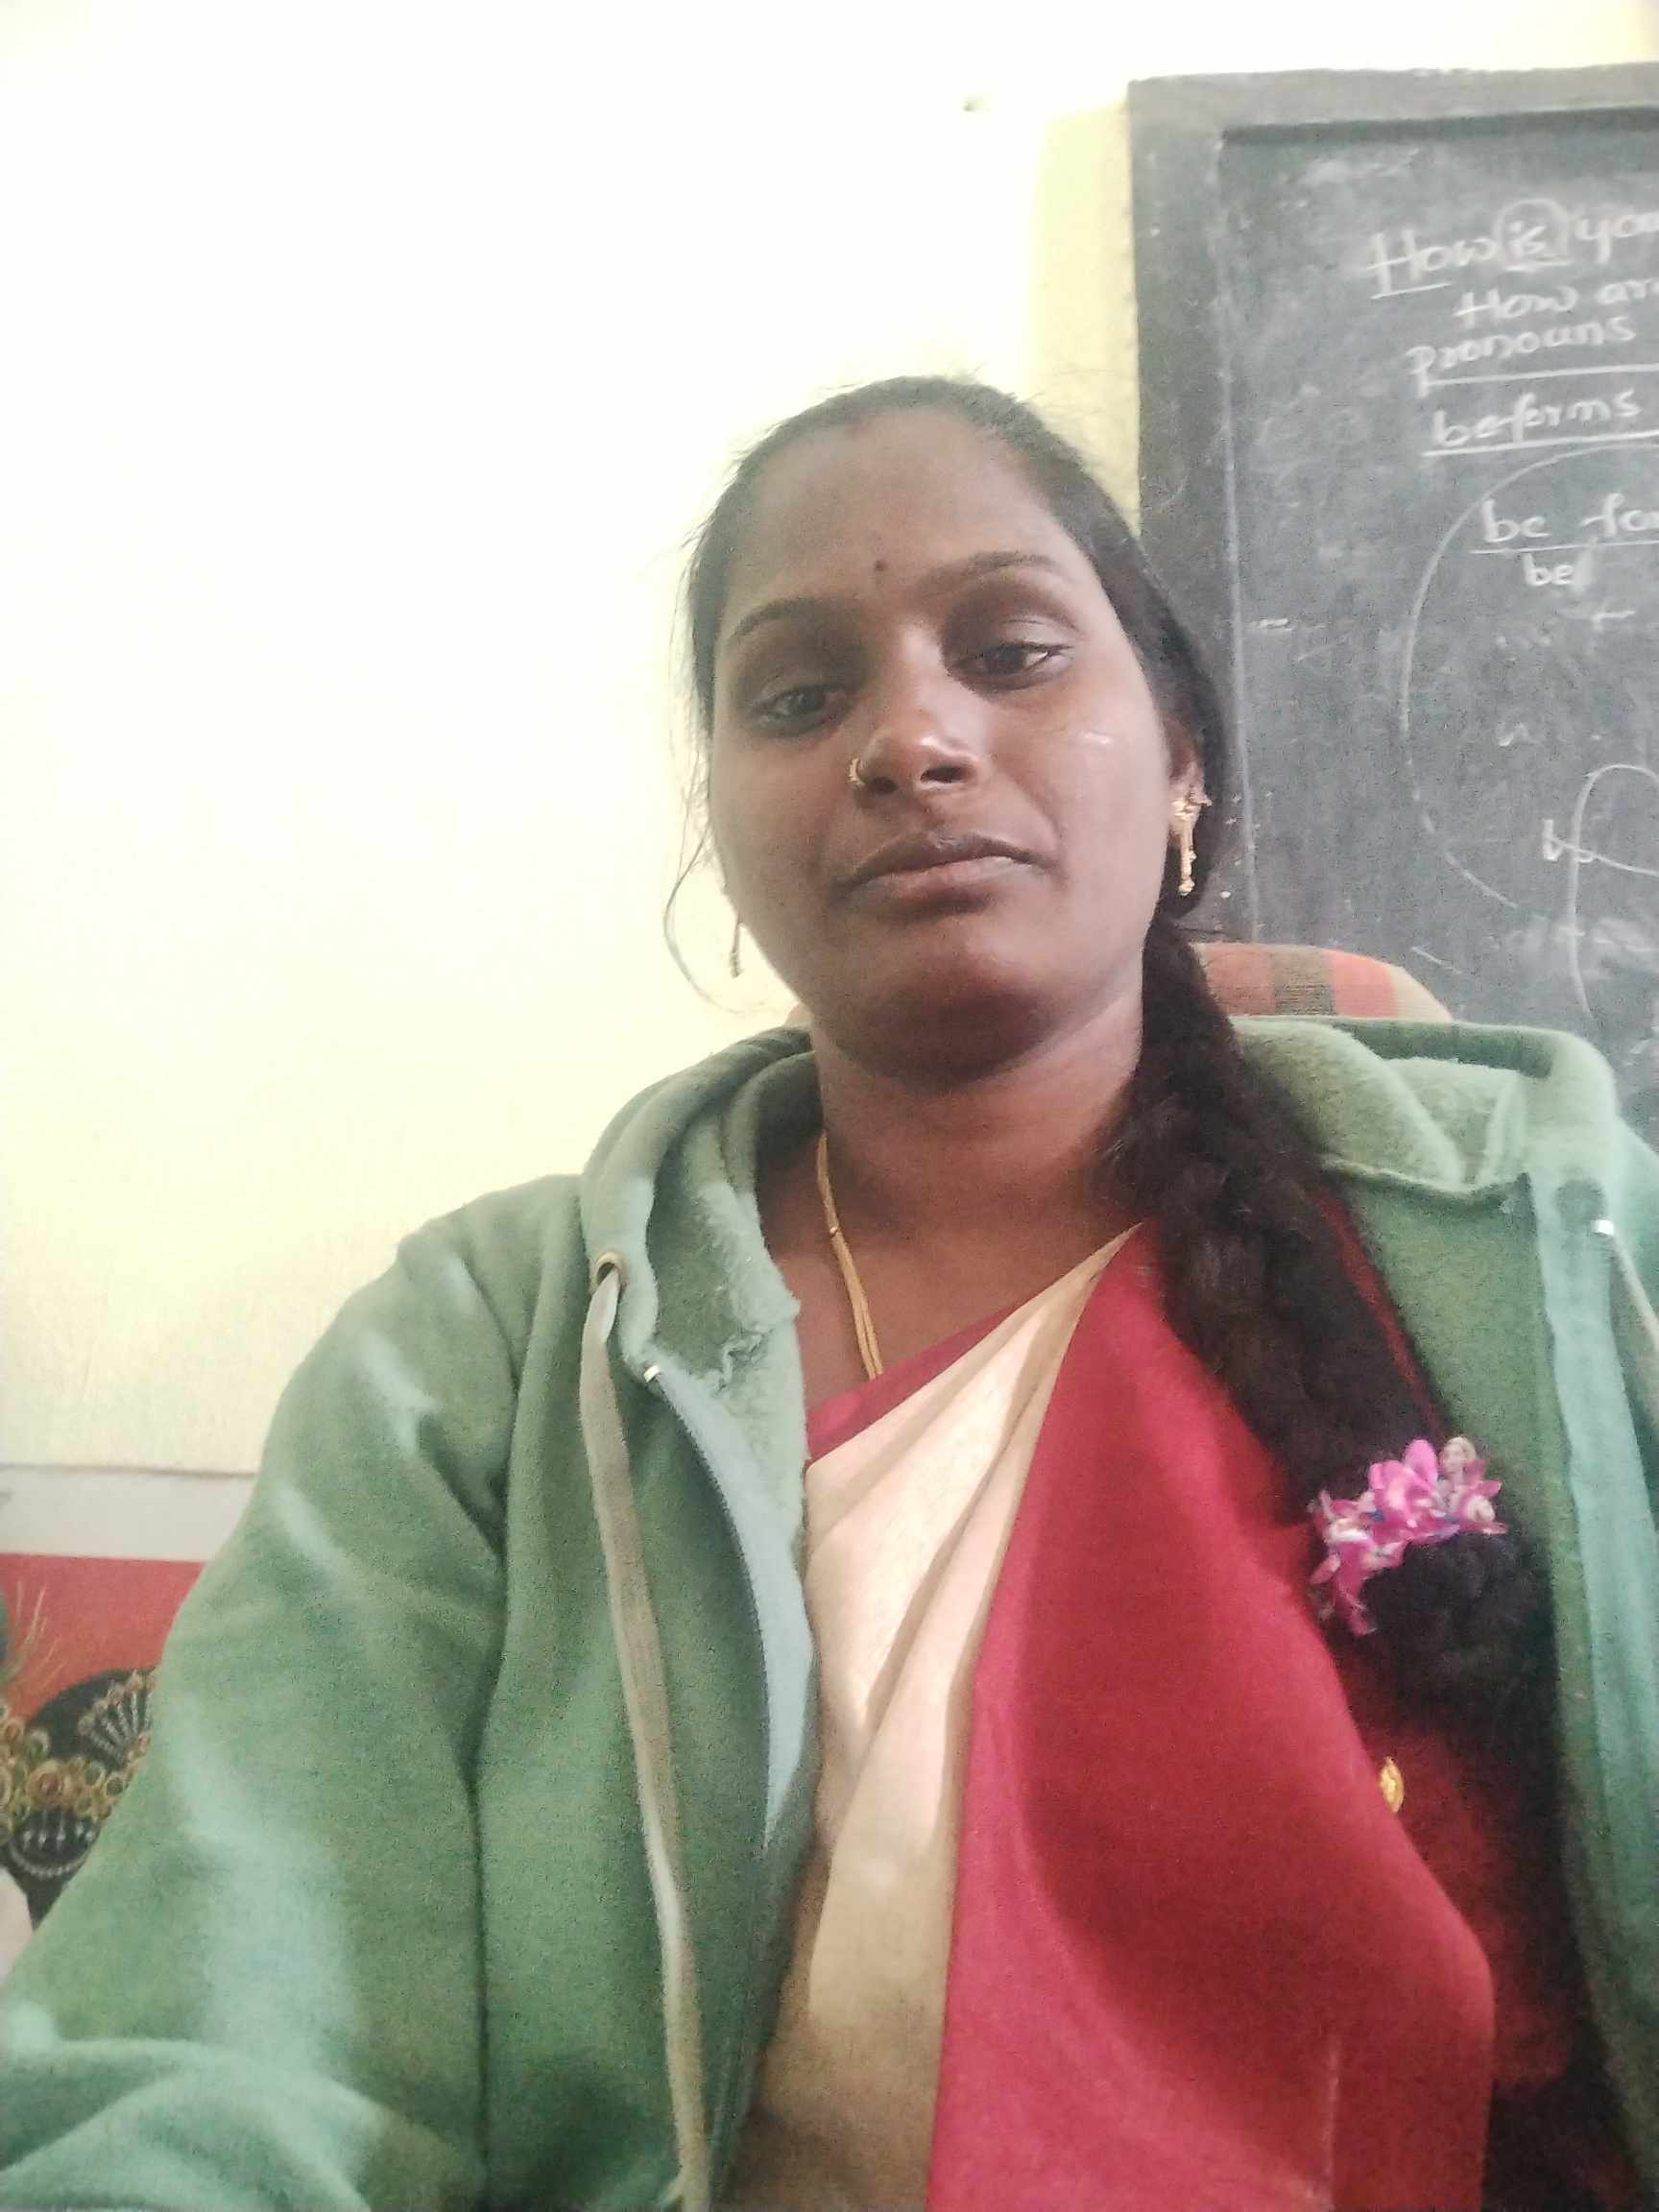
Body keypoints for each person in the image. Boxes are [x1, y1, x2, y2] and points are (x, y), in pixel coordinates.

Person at [1, 376, 1655, 2212]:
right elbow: (225, 2029)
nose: (912, 740)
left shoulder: (1549, 1248)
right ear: (722, 823)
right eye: (798, 696)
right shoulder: (487, 1359)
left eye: (1010, 653)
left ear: (1183, 754)